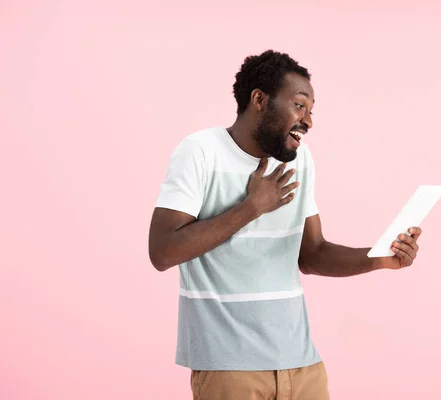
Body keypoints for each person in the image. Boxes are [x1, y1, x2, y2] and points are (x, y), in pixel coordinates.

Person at [148, 50, 423, 400]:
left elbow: (312, 254)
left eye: (311, 111)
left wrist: (380, 258)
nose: (307, 121)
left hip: (301, 365)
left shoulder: (300, 159)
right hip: (229, 368)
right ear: (260, 100)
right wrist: (251, 207)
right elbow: (162, 251)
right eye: (299, 105)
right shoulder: (200, 151)